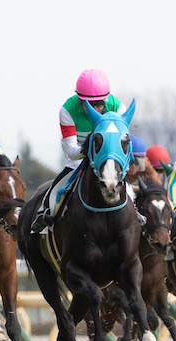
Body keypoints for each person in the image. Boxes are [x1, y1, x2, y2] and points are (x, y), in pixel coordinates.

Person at [31, 68, 127, 232]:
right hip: (79, 156)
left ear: (107, 99)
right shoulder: (67, 110)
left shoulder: (118, 108)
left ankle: (137, 212)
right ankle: (45, 211)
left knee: (126, 185)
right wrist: (88, 150)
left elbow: (121, 145)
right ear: (80, 99)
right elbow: (71, 151)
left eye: (100, 104)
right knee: (58, 185)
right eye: (90, 104)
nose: (95, 109)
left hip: (107, 156)